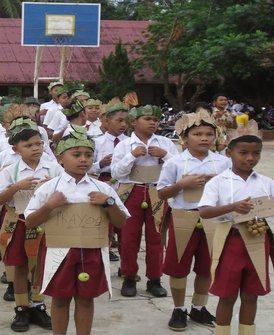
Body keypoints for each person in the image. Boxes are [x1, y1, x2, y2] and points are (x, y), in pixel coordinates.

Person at [24, 127, 129, 335]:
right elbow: (29, 222)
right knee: (60, 299)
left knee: (86, 299)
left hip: (92, 251)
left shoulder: (103, 189)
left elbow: (121, 222)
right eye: (77, 155)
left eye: (88, 155)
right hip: (58, 252)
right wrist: (49, 206)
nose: (83, 160)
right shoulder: (49, 189)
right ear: (61, 158)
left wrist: (108, 203)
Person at [198, 124, 274, 335]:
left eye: (256, 153)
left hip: (259, 238)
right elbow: (204, 211)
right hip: (230, 241)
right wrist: (233, 207)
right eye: (243, 153)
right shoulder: (218, 182)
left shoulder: (266, 182)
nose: (250, 158)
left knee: (252, 294)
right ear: (229, 153)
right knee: (227, 296)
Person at [157, 110, 231, 331]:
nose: (204, 138)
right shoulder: (175, 163)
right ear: (185, 137)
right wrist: (182, 184)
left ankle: (199, 306)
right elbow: (161, 193)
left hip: (214, 219)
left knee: (207, 267)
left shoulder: (223, 163)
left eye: (209, 133)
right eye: (198, 133)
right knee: (179, 267)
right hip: (183, 217)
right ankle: (179, 308)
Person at [0, 118, 62, 332]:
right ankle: (21, 308)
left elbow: (65, 191)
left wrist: (52, 187)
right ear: (16, 149)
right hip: (19, 222)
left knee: (40, 266)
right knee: (20, 267)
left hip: (44, 225)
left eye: (38, 144)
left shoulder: (53, 167)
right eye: (28, 145)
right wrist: (16, 187)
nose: (35, 148)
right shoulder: (10, 171)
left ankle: (39, 305)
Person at [110, 105, 178, 297]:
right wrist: (132, 156)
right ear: (134, 122)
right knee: (128, 237)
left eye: (155, 120)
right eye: (147, 119)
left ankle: (154, 279)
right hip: (131, 191)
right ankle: (129, 276)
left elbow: (180, 167)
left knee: (156, 237)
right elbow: (116, 173)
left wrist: (165, 155)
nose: (153, 123)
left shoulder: (165, 143)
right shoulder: (124, 145)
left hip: (157, 192)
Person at [91, 102, 130, 262]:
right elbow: (86, 167)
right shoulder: (97, 142)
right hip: (104, 182)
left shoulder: (130, 142)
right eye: (119, 120)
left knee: (126, 226)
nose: (123, 124)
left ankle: (127, 266)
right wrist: (100, 164)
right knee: (105, 222)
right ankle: (103, 255)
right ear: (106, 121)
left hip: (126, 185)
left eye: (125, 121)